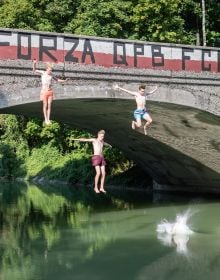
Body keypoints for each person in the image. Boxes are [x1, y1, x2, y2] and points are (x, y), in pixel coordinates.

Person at [32, 59, 68, 125]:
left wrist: (64, 81)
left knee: (49, 106)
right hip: (44, 91)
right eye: (50, 70)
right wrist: (34, 63)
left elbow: (57, 80)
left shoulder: (52, 74)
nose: (50, 71)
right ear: (47, 69)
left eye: (51, 70)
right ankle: (45, 119)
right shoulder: (43, 73)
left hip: (50, 92)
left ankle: (48, 119)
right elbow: (34, 70)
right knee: (45, 105)